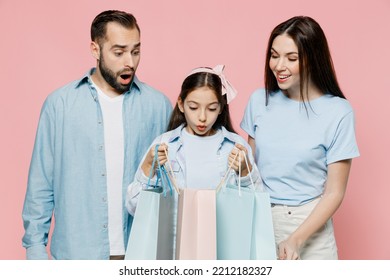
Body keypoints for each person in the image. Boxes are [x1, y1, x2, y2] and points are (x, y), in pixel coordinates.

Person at [22, 10, 172, 260]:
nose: (130, 62)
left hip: (142, 255)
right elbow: (41, 186)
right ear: (95, 49)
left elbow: (173, 184)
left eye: (136, 51)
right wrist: (36, 253)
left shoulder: (158, 106)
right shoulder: (60, 105)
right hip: (78, 256)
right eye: (119, 52)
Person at [241, 16, 359, 260]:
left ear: (313, 59)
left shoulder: (338, 112)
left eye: (291, 58)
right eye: (274, 56)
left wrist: (296, 238)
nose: (279, 66)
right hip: (261, 222)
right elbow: (249, 172)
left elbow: (335, 192)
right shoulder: (259, 101)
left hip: (312, 229)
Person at [126, 65, 262, 217]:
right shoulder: (165, 144)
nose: (202, 117)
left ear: (221, 108)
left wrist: (245, 172)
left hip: (222, 239)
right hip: (175, 239)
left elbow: (256, 210)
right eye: (193, 107)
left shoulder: (236, 146)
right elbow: (134, 208)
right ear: (181, 104)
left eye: (211, 108)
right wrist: (148, 167)